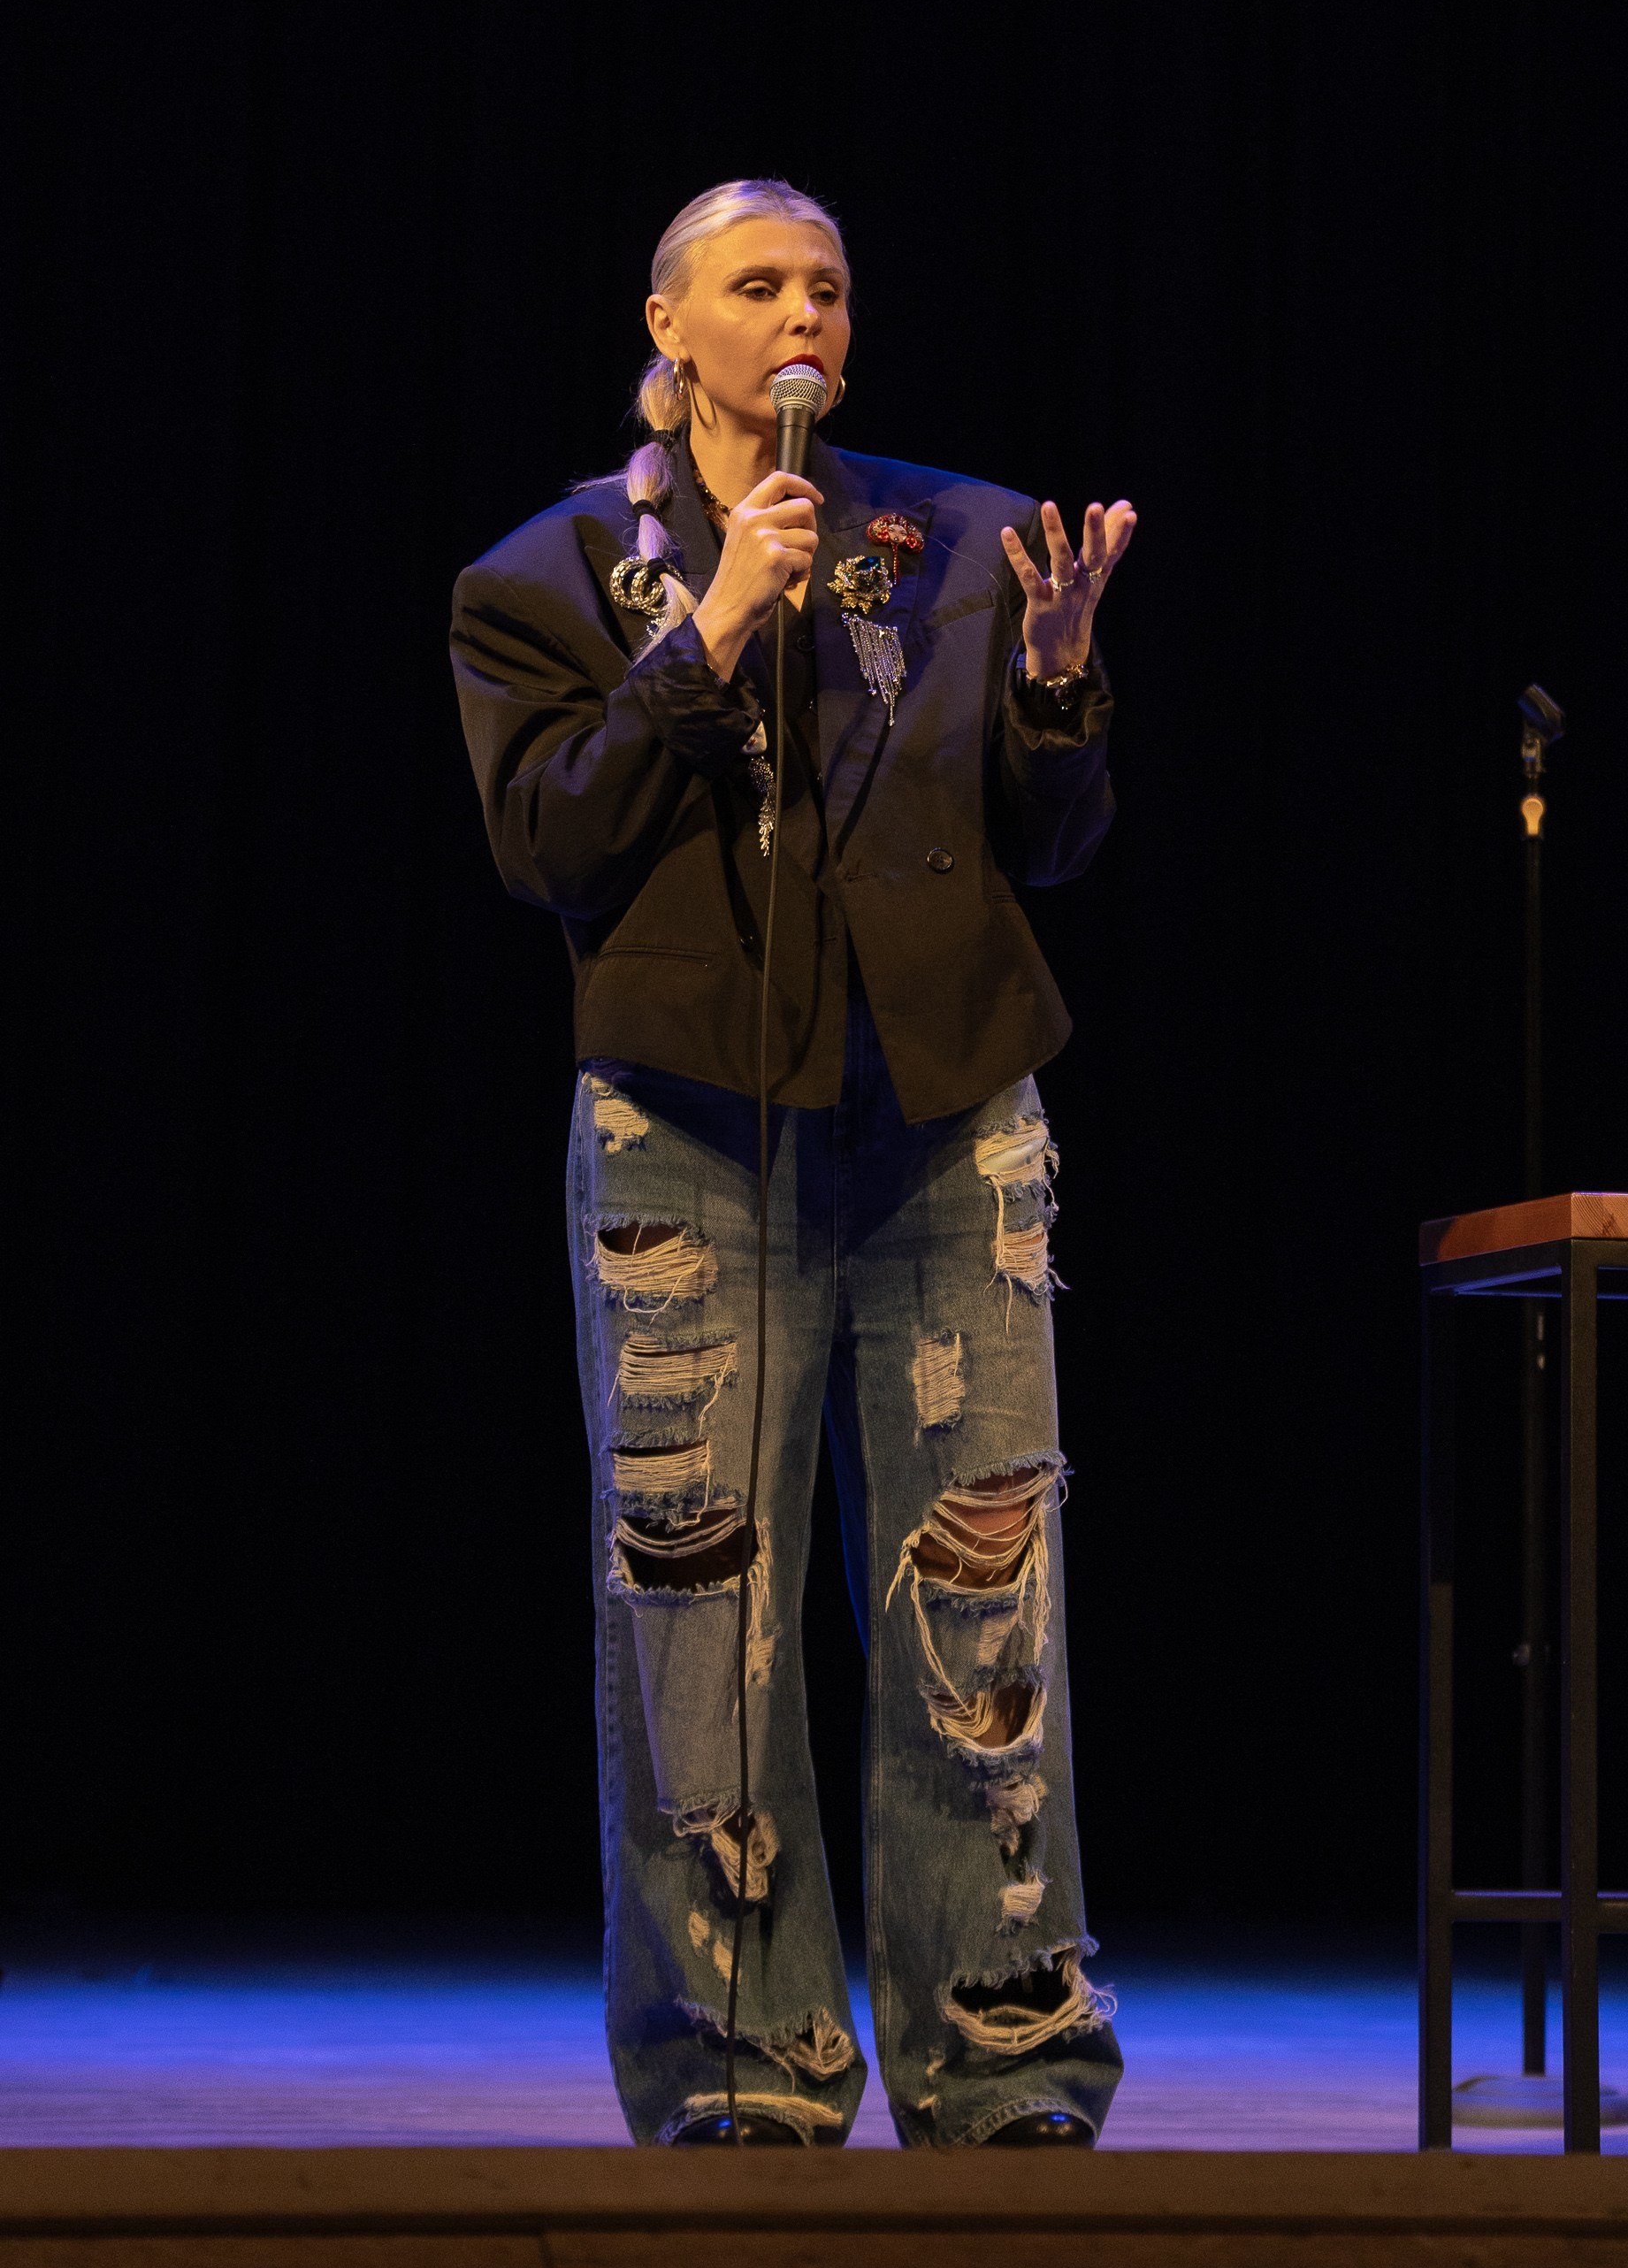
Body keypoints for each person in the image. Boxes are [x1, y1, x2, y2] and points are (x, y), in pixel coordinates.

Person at [451, 178, 1135, 2149]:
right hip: (690, 1132)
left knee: (978, 1610)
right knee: (696, 1609)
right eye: (756, 284)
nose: (800, 309)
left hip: (939, 1126)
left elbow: (1053, 835)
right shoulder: (548, 574)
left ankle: (1002, 2060)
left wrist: (1053, 685)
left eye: (824, 282)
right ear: (671, 332)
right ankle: (739, 2072)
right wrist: (717, 626)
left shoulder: (963, 539)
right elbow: (551, 847)